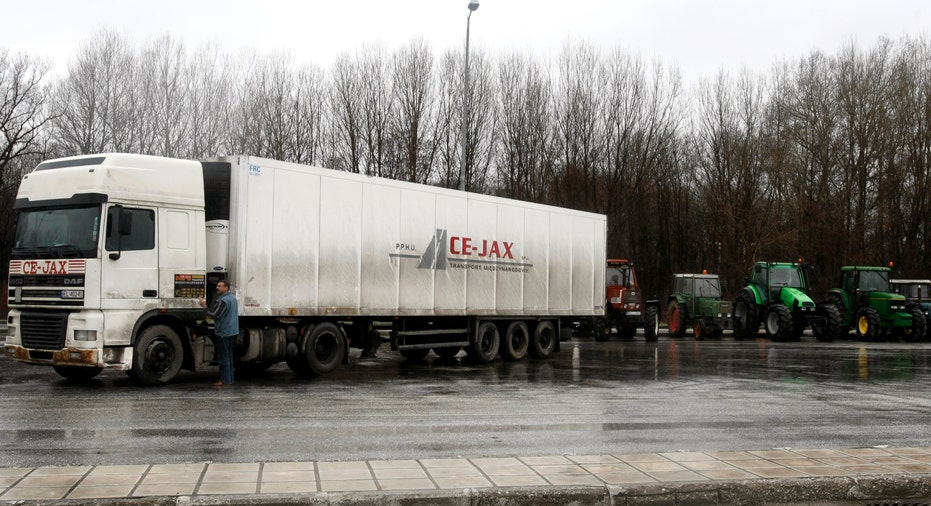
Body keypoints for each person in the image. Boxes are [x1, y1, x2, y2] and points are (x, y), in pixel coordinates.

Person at [199, 280, 239, 386]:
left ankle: (224, 380)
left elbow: (215, 314)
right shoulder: (232, 299)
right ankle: (230, 379)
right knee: (229, 356)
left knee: (223, 358)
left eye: (220, 286)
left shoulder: (223, 301)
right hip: (231, 331)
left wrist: (204, 306)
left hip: (223, 332)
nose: (217, 287)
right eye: (217, 285)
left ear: (226, 288)